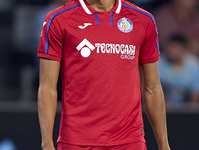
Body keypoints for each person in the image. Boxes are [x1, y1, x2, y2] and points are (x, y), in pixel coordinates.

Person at [37, 0, 171, 150]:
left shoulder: (143, 20)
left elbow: (152, 88)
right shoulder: (59, 19)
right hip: (77, 140)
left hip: (130, 141)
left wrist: (164, 145)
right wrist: (47, 143)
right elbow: (47, 87)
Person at [158, 34, 199, 106]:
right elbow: (156, 90)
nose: (171, 50)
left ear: (184, 49)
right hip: (164, 106)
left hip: (187, 108)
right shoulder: (159, 64)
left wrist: (190, 113)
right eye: (170, 47)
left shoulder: (194, 65)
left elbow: (196, 92)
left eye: (175, 47)